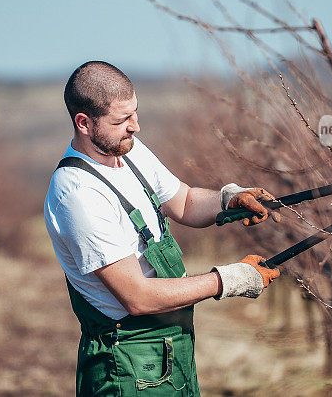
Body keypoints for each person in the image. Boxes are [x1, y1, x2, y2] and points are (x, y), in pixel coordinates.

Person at [44, 61, 280, 396]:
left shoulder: (129, 151)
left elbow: (183, 201)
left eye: (135, 113)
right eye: (122, 120)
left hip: (172, 348)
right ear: (84, 123)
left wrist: (229, 199)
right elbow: (136, 297)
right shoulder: (79, 194)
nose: (135, 126)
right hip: (126, 362)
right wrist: (228, 279)